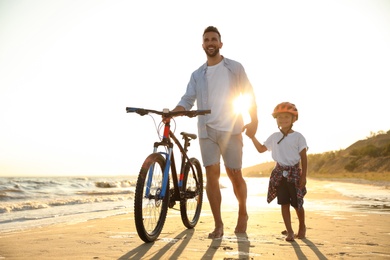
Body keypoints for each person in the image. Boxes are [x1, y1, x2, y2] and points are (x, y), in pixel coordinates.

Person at [171, 26, 258, 239]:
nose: (210, 43)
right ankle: (218, 224)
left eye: (214, 39)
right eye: (207, 40)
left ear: (220, 43)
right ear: (203, 45)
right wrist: (175, 111)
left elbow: (248, 93)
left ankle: (243, 212)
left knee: (235, 174)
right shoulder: (197, 75)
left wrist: (254, 119)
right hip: (206, 130)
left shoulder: (235, 68)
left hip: (232, 128)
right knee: (212, 176)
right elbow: (187, 99)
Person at [247, 102, 307, 242]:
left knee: (298, 203)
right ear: (276, 120)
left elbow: (304, 158)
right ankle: (290, 232)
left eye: (286, 117)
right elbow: (262, 149)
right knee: (284, 203)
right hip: (279, 174)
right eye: (280, 117)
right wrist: (252, 137)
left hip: (295, 174)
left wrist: (303, 176)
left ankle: (302, 226)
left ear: (294, 119)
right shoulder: (274, 136)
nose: (283, 120)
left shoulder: (299, 137)